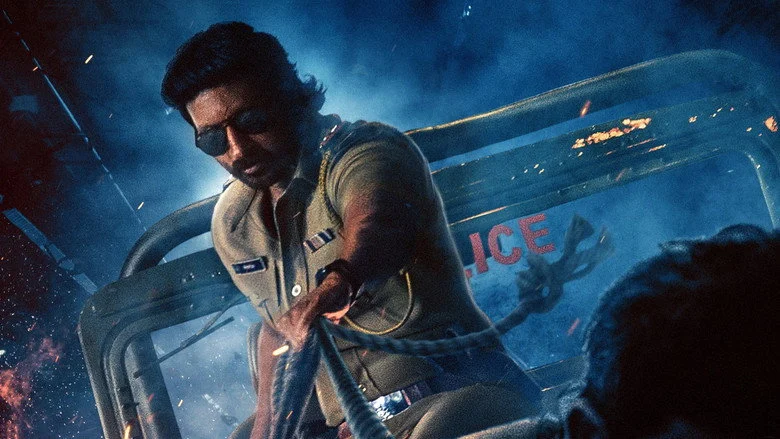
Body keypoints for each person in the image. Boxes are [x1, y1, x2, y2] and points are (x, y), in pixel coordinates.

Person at [161, 22, 541, 439]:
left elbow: (377, 221)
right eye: (213, 140)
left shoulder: (367, 151)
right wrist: (268, 427)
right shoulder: (234, 223)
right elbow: (279, 327)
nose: (237, 149)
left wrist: (337, 285)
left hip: (461, 398)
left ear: (289, 98)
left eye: (252, 121)